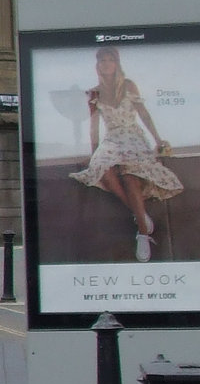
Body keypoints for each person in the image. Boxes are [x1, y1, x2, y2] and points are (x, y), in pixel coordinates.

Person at [69, 45, 180, 263]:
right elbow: (94, 126)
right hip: (112, 139)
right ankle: (141, 215)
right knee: (103, 171)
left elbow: (144, 114)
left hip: (132, 136)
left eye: (110, 60)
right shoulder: (94, 92)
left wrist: (158, 140)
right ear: (98, 65)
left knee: (130, 177)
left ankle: (143, 233)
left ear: (116, 63)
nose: (106, 64)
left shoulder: (128, 85)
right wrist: (93, 152)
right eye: (103, 60)